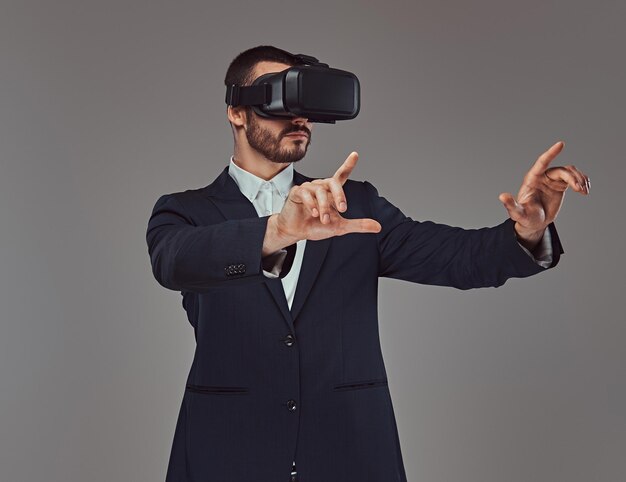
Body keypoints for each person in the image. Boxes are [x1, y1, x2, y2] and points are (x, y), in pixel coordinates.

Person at [146, 45, 589, 482]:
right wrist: (279, 230)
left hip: (350, 452)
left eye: (306, 104)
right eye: (281, 99)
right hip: (227, 454)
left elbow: (459, 259)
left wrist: (528, 230)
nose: (299, 117)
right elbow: (175, 262)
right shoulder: (185, 212)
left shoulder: (353, 205)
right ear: (237, 112)